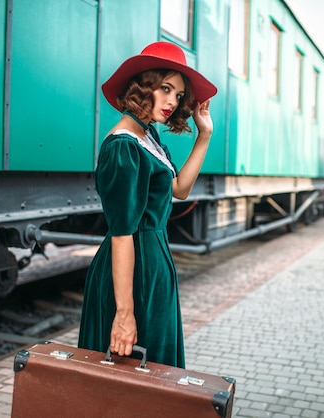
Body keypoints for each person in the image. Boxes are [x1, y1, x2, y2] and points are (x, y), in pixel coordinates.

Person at [78, 41, 217, 368]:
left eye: (179, 95)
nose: (173, 101)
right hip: (134, 270)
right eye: (166, 88)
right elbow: (123, 232)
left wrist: (204, 135)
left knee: (154, 372)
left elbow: (180, 189)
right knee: (130, 374)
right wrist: (124, 314)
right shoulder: (123, 147)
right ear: (143, 86)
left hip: (153, 266)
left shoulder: (149, 138)